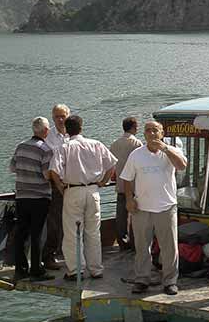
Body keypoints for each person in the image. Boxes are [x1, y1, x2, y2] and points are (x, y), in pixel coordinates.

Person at [120, 121, 188, 296]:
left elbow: (182, 166)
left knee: (169, 247)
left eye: (155, 130)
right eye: (148, 131)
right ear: (144, 134)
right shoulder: (136, 155)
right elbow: (127, 178)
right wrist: (129, 199)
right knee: (142, 247)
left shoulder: (172, 151)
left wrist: (165, 148)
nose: (151, 134)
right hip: (142, 208)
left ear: (162, 133)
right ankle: (142, 279)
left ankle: (170, 281)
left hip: (166, 207)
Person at [48, 114, 116, 279]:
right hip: (93, 190)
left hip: (73, 190)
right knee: (93, 232)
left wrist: (60, 187)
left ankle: (75, 270)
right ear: (81, 127)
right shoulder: (96, 144)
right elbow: (112, 164)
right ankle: (96, 269)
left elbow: (53, 171)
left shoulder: (63, 148)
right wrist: (103, 182)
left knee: (72, 233)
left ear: (66, 130)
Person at [8, 117, 55, 281]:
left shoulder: (20, 146)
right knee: (36, 234)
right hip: (39, 197)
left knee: (21, 233)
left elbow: (12, 167)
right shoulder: (46, 149)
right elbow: (46, 174)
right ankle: (36, 269)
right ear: (46, 131)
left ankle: (20, 269)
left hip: (21, 196)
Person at [41, 103, 71, 269]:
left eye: (63, 116)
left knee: (72, 220)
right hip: (55, 184)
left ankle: (68, 253)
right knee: (55, 221)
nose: (60, 119)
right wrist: (58, 184)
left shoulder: (72, 134)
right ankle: (49, 256)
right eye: (57, 116)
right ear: (53, 118)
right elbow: (49, 163)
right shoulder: (48, 137)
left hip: (72, 183)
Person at [110, 117, 143, 250]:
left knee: (121, 217)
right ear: (134, 127)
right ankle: (135, 244)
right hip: (134, 186)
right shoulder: (137, 144)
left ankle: (122, 242)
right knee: (136, 216)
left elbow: (111, 165)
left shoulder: (115, 144)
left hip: (120, 185)